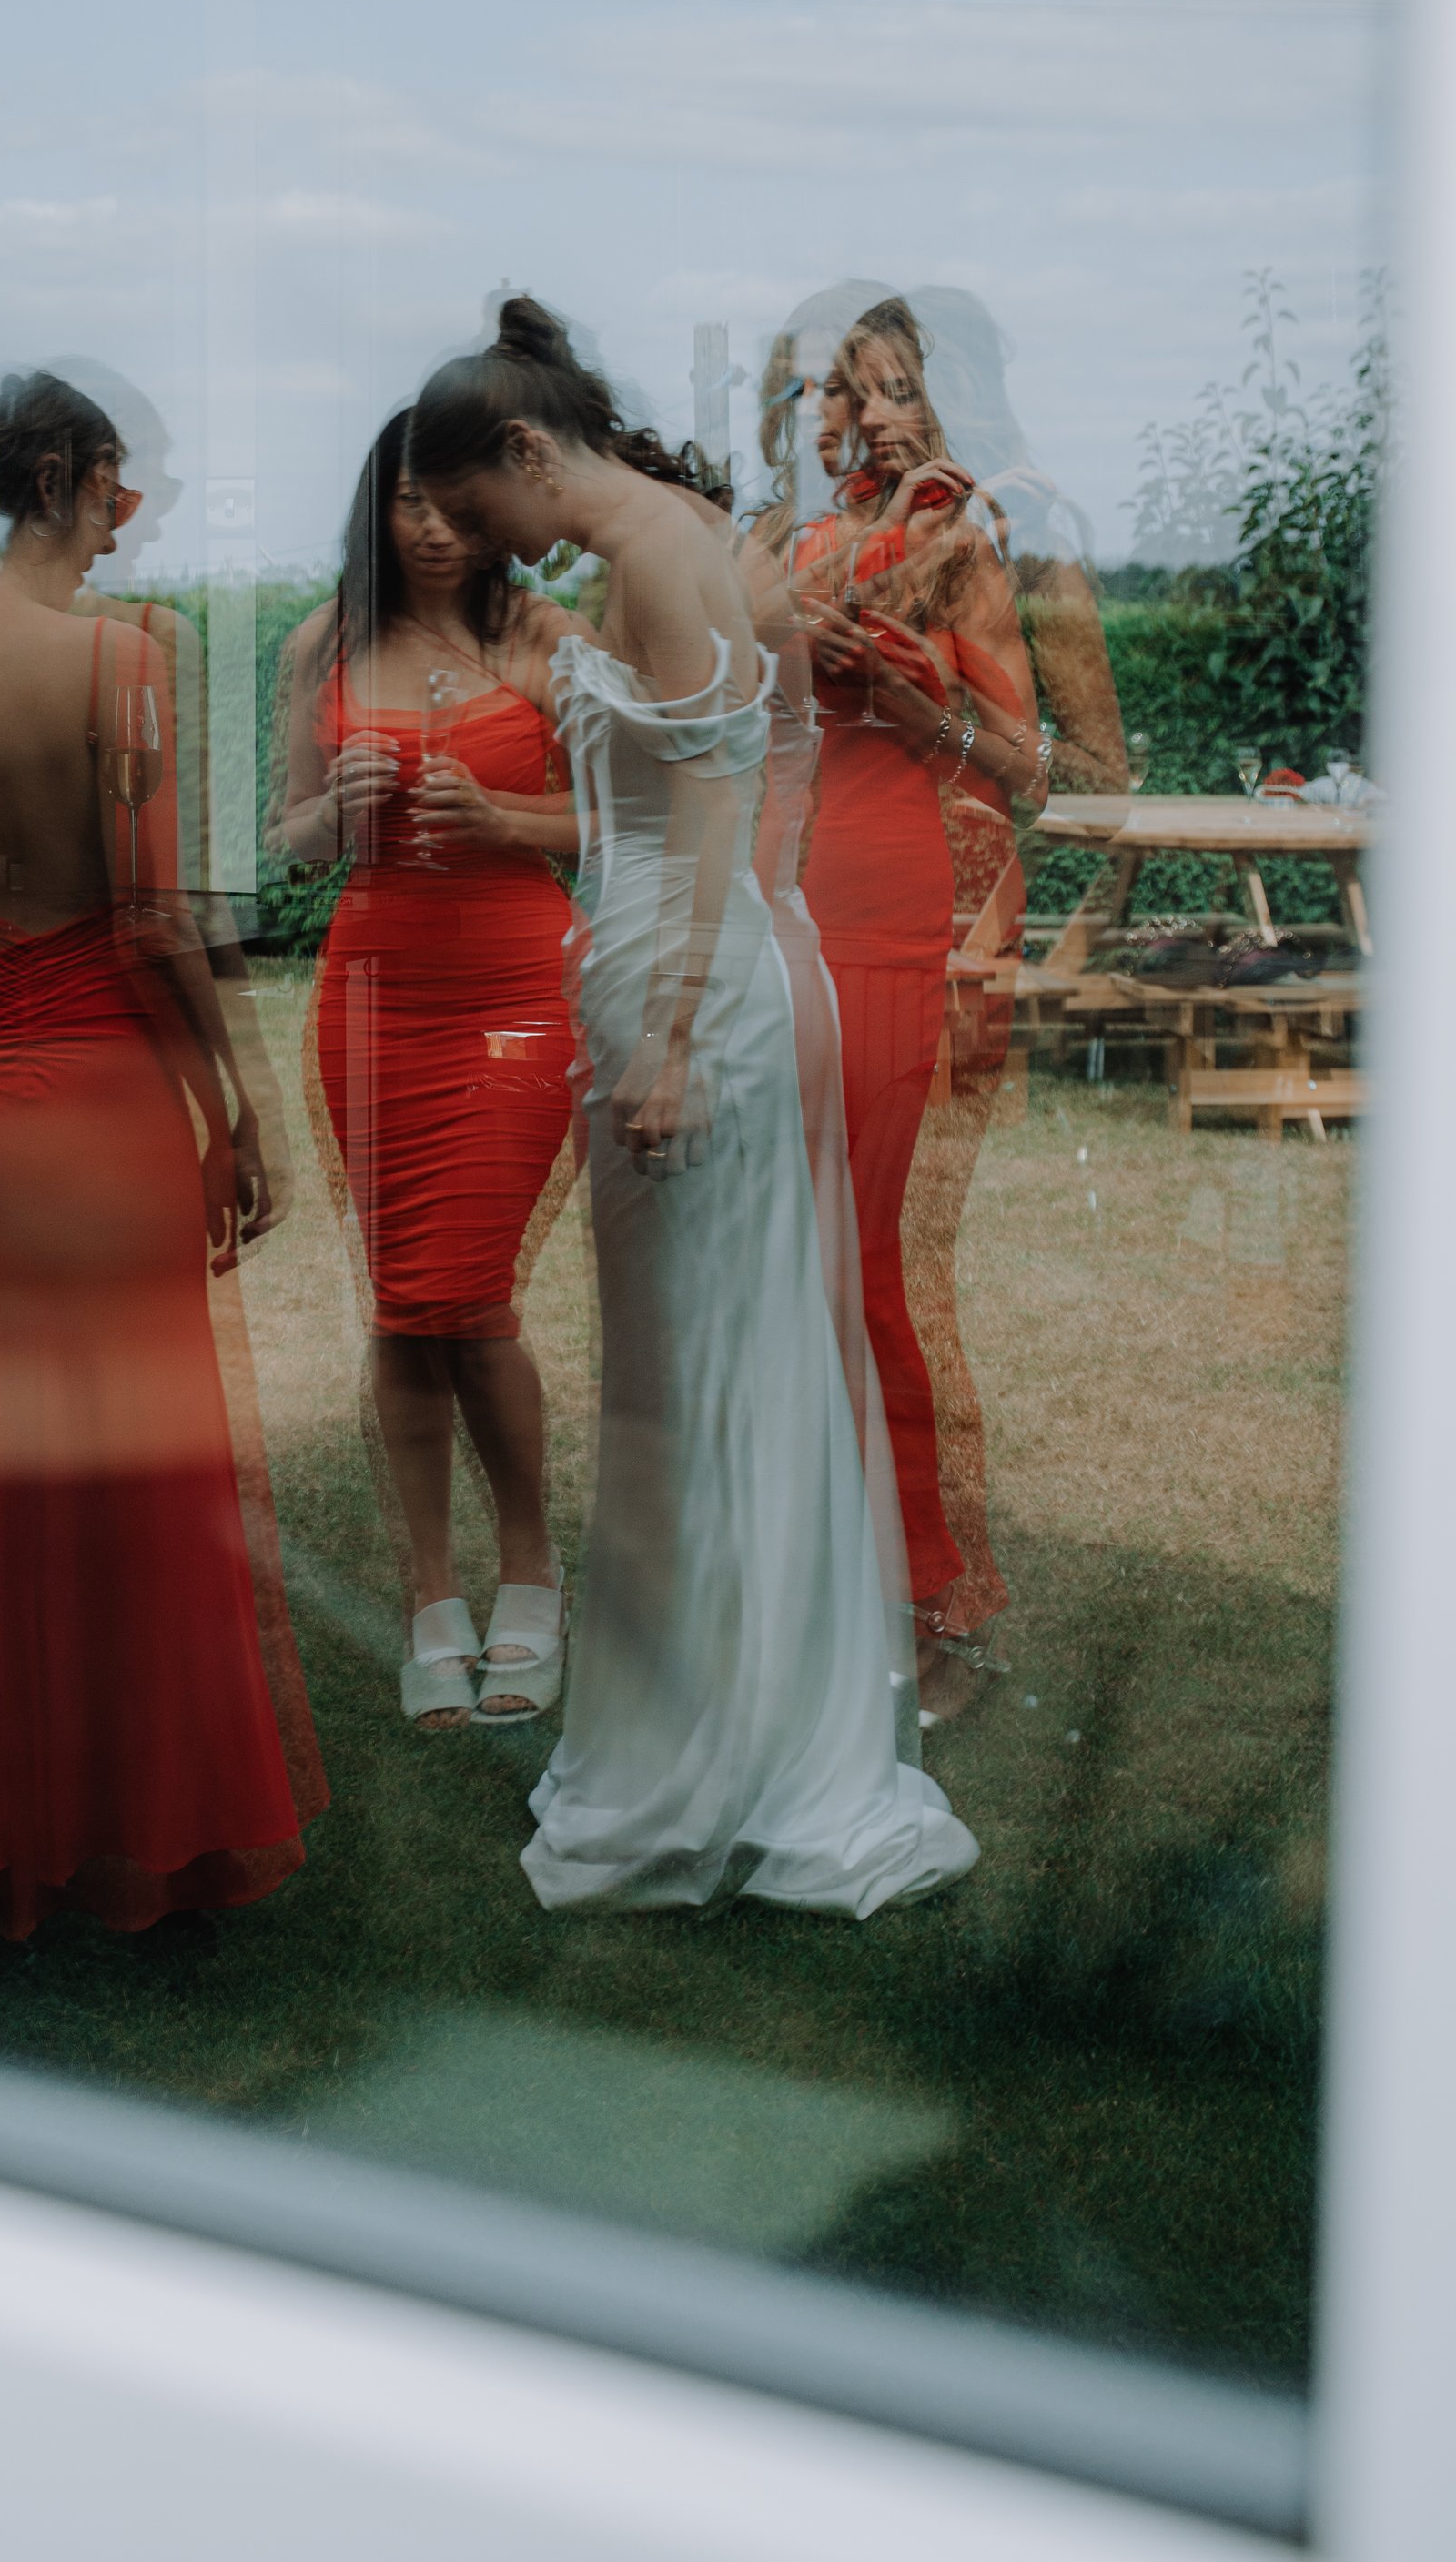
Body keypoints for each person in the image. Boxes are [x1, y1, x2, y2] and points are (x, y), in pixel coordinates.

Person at [407, 299, 976, 1917]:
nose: (474, 539)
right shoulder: (674, 540)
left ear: (527, 454)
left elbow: (727, 798)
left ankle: (722, 1762)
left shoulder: (658, 551)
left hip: (698, 990)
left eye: (474, 507)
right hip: (711, 965)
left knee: (705, 1392)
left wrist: (662, 1038)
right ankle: (727, 1725)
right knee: (715, 1379)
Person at [0, 371, 324, 1943]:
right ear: (67, 475)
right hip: (101, 1095)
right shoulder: (125, 656)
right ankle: (147, 1824)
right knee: (134, 1459)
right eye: (131, 480)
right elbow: (155, 917)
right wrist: (236, 1107)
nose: (144, 508)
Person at [753, 299, 1046, 1703]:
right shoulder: (803, 546)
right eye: (850, 393)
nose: (867, 419)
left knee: (862, 1262)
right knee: (782, 1263)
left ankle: (932, 1596)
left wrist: (919, 709)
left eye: (896, 393)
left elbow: (1031, 765)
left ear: (947, 405)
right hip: (776, 908)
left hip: (884, 919)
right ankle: (820, 1571)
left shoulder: (966, 550)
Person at [273, 409, 580, 1730]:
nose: (438, 529)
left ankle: (533, 1565)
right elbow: (285, 847)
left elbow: (632, 818)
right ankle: (430, 1594)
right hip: (374, 1000)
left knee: (468, 1293)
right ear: (378, 506)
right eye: (411, 502)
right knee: (405, 1305)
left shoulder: (545, 637)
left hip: (519, 1001)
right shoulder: (320, 644)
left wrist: (505, 814)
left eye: (459, 503)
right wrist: (332, 812)